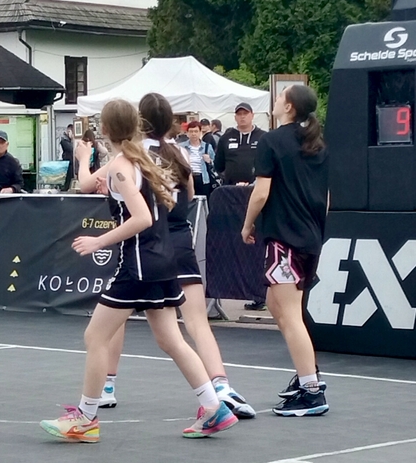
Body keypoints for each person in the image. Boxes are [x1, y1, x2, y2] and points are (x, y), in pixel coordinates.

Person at [40, 99, 235, 443]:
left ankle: (86, 417)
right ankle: (213, 405)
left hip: (139, 263)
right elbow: (169, 201)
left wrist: (99, 240)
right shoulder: (143, 159)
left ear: (105, 129)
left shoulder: (120, 166)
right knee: (170, 339)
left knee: (95, 337)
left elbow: (142, 217)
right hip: (163, 257)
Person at [99, 93, 255, 419]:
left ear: (139, 121)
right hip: (181, 239)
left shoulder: (133, 155)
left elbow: (101, 185)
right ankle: (221, 385)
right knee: (195, 322)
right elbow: (191, 194)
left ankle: (107, 385)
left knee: (116, 318)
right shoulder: (181, 151)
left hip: (150, 244)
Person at [240, 84, 330, 417]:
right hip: (309, 236)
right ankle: (308, 372)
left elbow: (261, 192)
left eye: (280, 97)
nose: (275, 101)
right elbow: (326, 196)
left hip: (286, 237)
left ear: (289, 106)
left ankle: (312, 390)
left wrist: (248, 224)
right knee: (278, 306)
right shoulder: (317, 144)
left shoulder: (271, 142)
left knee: (290, 314)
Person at [215, 103, 264, 186]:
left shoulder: (263, 137)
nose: (242, 116)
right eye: (239, 114)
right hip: (231, 187)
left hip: (256, 187)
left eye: (245, 113)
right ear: (235, 117)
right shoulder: (226, 137)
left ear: (252, 115)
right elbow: (219, 165)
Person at [183, 120, 217, 197]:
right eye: (191, 131)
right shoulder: (182, 147)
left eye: (196, 131)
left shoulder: (207, 147)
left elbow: (216, 164)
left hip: (203, 178)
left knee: (203, 200)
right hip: (187, 178)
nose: (193, 134)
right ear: (187, 133)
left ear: (200, 132)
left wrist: (210, 161)